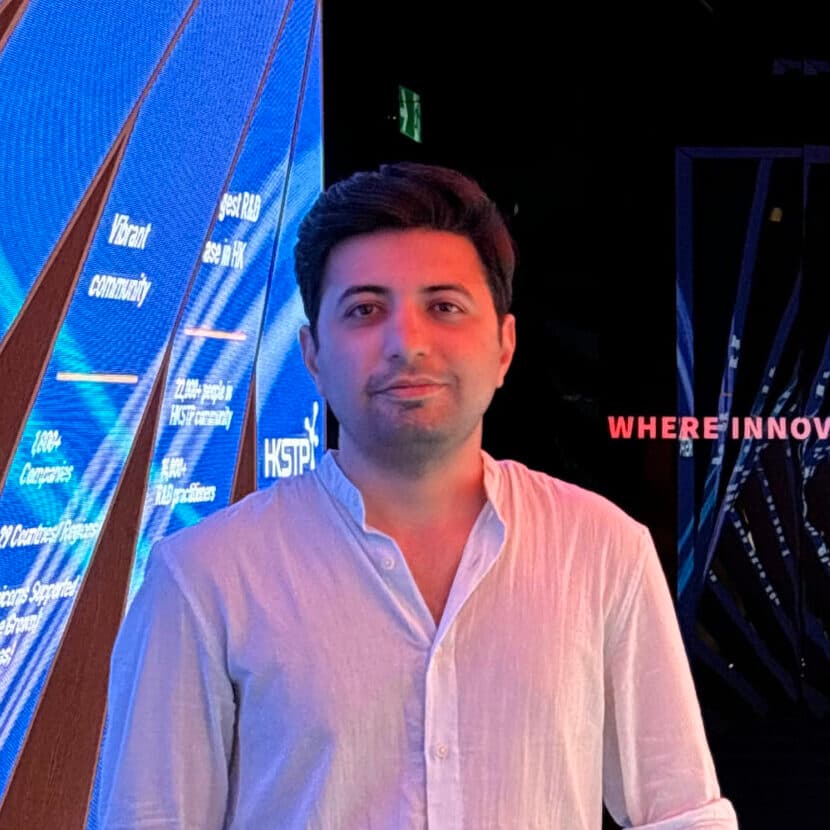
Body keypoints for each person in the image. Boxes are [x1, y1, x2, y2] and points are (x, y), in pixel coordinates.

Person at [98, 162, 738, 828]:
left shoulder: (604, 551)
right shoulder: (205, 578)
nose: (407, 343)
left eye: (444, 306)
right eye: (365, 310)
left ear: (504, 347)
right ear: (312, 354)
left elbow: (682, 816)